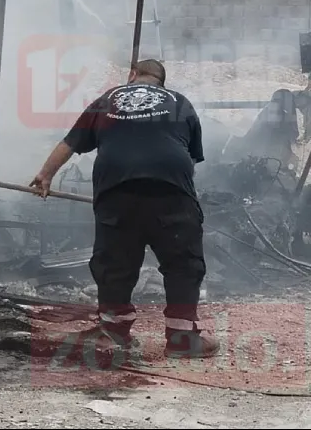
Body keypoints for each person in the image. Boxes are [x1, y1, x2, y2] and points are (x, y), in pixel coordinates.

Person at [29, 59, 219, 358]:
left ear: (132, 76)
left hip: (116, 188)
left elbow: (71, 142)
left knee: (115, 262)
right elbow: (190, 157)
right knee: (183, 261)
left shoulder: (108, 99)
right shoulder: (180, 102)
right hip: (170, 189)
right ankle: (183, 338)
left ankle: (111, 334)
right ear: (162, 84)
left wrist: (45, 175)